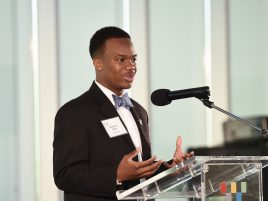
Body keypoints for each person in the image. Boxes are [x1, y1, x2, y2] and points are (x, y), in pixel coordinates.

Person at [53, 26, 191, 201]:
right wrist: (116, 175)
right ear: (98, 63)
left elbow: (139, 169)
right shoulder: (74, 112)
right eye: (121, 59)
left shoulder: (139, 111)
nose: (131, 66)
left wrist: (171, 168)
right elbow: (65, 175)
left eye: (133, 59)